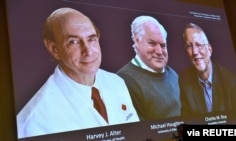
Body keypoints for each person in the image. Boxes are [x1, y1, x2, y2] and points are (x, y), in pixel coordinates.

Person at [17, 7, 139, 139]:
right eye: (73, 42)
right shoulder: (34, 121)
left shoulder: (116, 82)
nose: (88, 51)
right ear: (54, 49)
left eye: (91, 39)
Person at [117, 15, 181, 121]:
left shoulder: (172, 74)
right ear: (137, 41)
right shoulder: (124, 80)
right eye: (152, 43)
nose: (160, 51)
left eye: (163, 45)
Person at [179, 22, 236, 116]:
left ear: (209, 50)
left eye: (199, 44)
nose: (194, 52)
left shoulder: (231, 81)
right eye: (189, 46)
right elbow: (187, 120)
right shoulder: (184, 81)